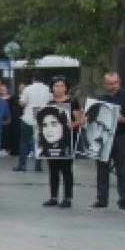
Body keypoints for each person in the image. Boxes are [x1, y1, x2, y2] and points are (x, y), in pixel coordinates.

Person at [90, 72, 125, 213]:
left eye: (115, 83)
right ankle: (102, 200)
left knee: (123, 171)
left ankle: (123, 202)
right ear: (105, 84)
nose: (113, 86)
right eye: (109, 84)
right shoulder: (100, 99)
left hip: (122, 137)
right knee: (102, 169)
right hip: (104, 137)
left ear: (120, 82)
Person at [40, 76, 82, 209]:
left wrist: (73, 124)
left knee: (66, 170)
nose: (58, 88)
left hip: (67, 141)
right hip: (51, 143)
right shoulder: (49, 103)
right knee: (53, 170)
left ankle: (68, 198)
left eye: (61, 85)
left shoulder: (73, 102)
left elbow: (80, 120)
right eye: (56, 85)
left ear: (66, 88)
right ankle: (53, 197)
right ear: (52, 88)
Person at [16, 74, 50, 172]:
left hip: (28, 119)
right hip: (41, 119)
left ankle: (22, 164)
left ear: (33, 79)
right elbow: (50, 102)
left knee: (24, 142)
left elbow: (22, 103)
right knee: (39, 143)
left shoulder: (28, 89)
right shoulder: (47, 89)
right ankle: (38, 165)